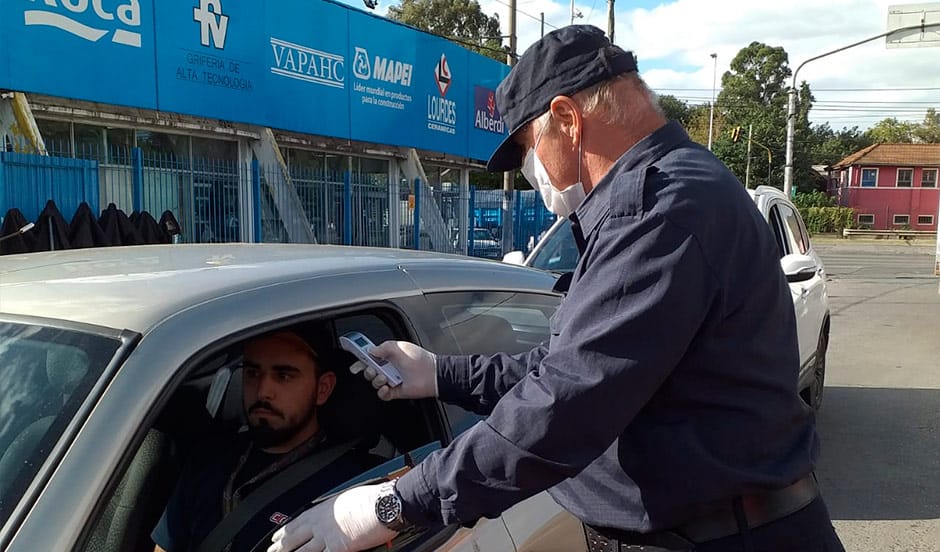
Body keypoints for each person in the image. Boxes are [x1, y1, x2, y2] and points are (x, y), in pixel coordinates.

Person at [267, 25, 845, 552]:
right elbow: (563, 366)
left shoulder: (658, 211)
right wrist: (436, 374)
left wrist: (394, 504)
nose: (529, 170)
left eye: (525, 149)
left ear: (567, 119)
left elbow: (565, 404)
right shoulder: (665, 193)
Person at [152, 331, 377, 552]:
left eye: (284, 375)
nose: (263, 391)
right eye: (253, 373)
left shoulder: (349, 490)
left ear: (322, 388)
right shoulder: (209, 458)